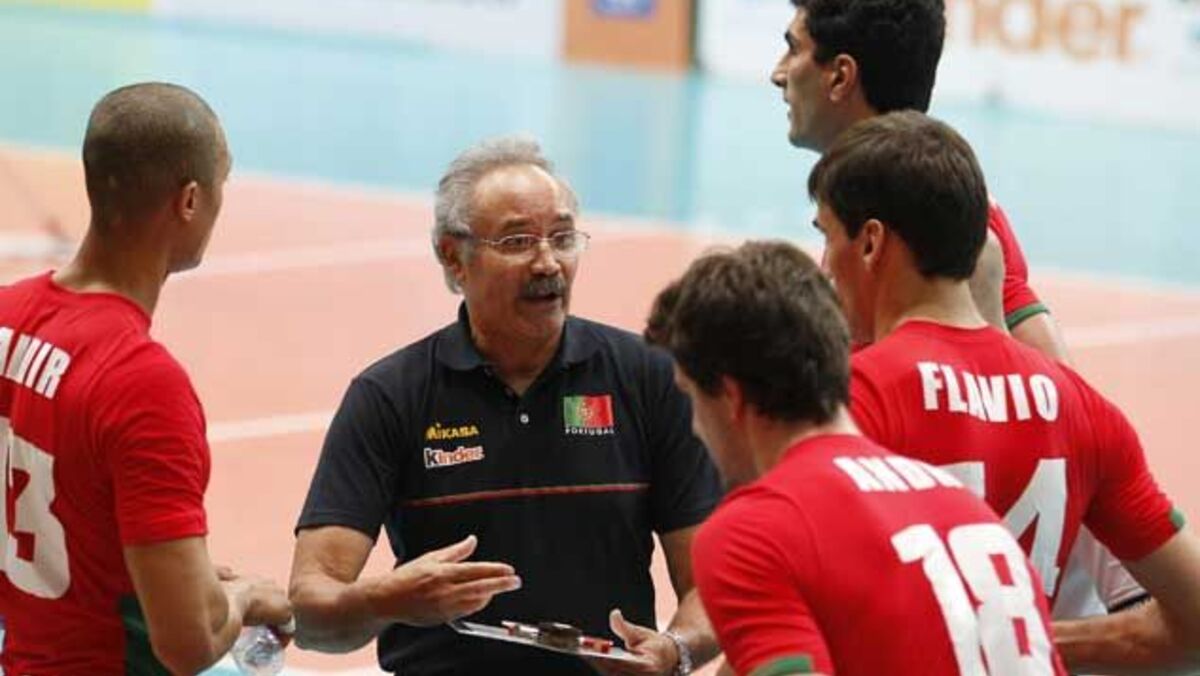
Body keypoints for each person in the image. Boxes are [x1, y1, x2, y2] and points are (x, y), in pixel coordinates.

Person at [771, 0, 1146, 627]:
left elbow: (1062, 414)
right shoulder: (915, 221)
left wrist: (1035, 636)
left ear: (840, 75)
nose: (778, 72)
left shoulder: (958, 241)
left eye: (792, 47)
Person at [288, 136, 722, 675]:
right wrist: (388, 599)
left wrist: (675, 650)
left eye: (563, 238)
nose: (548, 263)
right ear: (453, 257)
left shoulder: (650, 378)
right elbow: (311, 609)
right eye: (517, 241)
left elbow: (713, 587)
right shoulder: (389, 395)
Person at [810, 109, 1200, 672]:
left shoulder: (852, 400)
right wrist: (1016, 636)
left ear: (870, 243)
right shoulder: (1082, 409)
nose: (826, 267)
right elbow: (1193, 622)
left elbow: (787, 626)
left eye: (826, 236)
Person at [644, 240, 1066, 676]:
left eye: (691, 398)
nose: (694, 426)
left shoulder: (757, 528)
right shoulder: (965, 508)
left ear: (730, 397)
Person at [0, 82, 291, 675]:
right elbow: (187, 644)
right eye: (221, 186)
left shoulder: (7, 316)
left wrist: (173, 573)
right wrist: (243, 597)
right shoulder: (142, 384)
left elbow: (70, 515)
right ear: (190, 200)